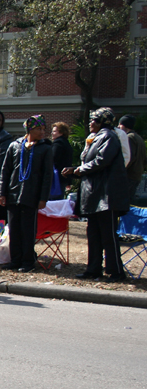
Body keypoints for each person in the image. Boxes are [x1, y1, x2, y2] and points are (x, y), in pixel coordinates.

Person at [62, 107, 130, 282]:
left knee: (108, 236)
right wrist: (77, 169)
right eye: (91, 119)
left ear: (104, 122)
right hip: (95, 195)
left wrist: (78, 170)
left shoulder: (109, 136)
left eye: (95, 120)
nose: (90, 123)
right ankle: (93, 269)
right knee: (93, 234)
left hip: (107, 196)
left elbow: (101, 161)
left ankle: (116, 272)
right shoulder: (95, 138)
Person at [0, 115, 54, 273]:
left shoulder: (45, 148)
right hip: (13, 193)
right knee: (14, 228)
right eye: (38, 129)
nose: (42, 132)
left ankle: (28, 261)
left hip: (31, 195)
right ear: (29, 129)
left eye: (44, 129)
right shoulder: (15, 145)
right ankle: (15, 260)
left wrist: (43, 198)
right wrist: (2, 192)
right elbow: (5, 170)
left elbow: (47, 175)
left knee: (28, 230)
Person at [118, 115, 147, 203]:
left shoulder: (129, 137)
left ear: (123, 125)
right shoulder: (139, 138)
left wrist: (120, 171)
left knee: (123, 202)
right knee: (129, 201)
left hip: (129, 175)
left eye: (119, 125)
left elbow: (129, 157)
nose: (118, 127)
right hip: (136, 175)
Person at [50, 122, 74, 196]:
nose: (51, 133)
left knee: (53, 201)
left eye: (54, 131)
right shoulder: (66, 143)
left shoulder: (58, 144)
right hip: (64, 177)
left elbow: (53, 159)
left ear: (61, 133)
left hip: (56, 178)